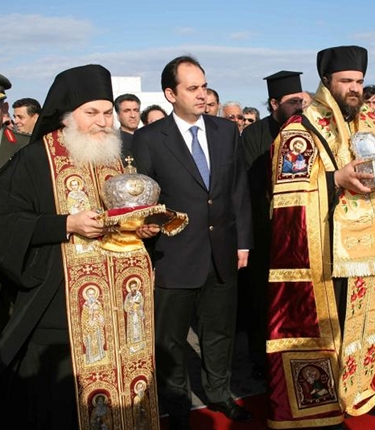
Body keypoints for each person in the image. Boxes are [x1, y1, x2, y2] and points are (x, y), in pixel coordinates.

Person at [0, 64, 161, 430]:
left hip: (122, 309)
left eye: (107, 113)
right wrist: (66, 224)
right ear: (67, 116)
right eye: (91, 113)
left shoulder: (117, 157)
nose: (103, 123)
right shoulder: (34, 159)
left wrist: (140, 228)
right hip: (62, 309)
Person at [266, 46, 375, 429]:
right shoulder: (299, 129)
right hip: (330, 249)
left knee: (366, 326)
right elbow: (286, 191)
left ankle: (358, 391)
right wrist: (336, 178)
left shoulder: (370, 123)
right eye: (346, 81)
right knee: (333, 328)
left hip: (374, 245)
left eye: (359, 81)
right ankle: (324, 400)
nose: (354, 88)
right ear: (326, 82)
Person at [132, 55, 253, 430]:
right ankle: (178, 406)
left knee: (219, 333)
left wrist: (243, 243)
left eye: (204, 86)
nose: (201, 94)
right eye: (192, 88)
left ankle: (219, 392)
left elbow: (237, 190)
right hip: (174, 256)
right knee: (170, 341)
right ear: (171, 94)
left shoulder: (225, 131)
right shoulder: (149, 138)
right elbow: (143, 200)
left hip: (223, 252)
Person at [240, 70, 307, 380]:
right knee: (263, 301)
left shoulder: (308, 130)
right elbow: (248, 187)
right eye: (292, 102)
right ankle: (261, 362)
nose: (299, 107)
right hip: (265, 232)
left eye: (301, 101)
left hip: (303, 234)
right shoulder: (254, 135)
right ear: (274, 103)